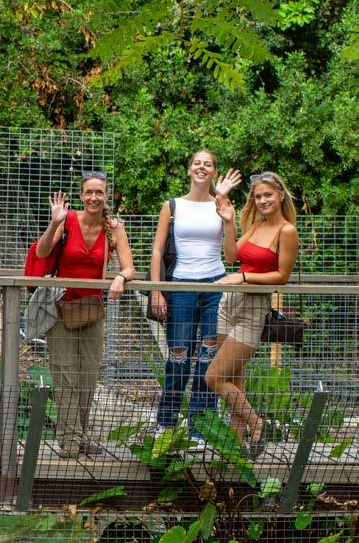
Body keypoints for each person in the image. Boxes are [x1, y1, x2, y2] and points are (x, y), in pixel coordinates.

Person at [34, 172, 135, 458]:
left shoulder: (113, 228)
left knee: (88, 375)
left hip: (92, 309)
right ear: (81, 196)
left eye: (99, 192)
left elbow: (129, 267)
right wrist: (54, 222)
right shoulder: (66, 220)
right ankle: (70, 440)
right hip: (61, 308)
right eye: (89, 192)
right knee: (64, 374)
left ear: (106, 196)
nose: (94, 197)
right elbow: (42, 252)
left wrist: (120, 278)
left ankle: (78, 435)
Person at [149, 150, 241, 449]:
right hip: (181, 287)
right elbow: (157, 251)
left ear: (214, 171)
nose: (202, 167)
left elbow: (232, 256)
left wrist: (227, 217)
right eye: (197, 163)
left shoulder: (222, 205)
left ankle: (201, 428)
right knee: (178, 358)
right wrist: (156, 290)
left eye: (208, 164)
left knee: (208, 360)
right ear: (189, 170)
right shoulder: (172, 206)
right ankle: (166, 423)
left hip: (216, 287)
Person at [205, 171, 299, 453]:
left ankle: (257, 424)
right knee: (235, 380)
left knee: (214, 378)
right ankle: (236, 453)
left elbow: (282, 276)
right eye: (258, 197)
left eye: (268, 195)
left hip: (254, 306)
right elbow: (231, 257)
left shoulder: (287, 231)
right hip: (229, 303)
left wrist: (244, 278)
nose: (262, 201)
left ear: (280, 195)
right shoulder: (257, 225)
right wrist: (229, 223)